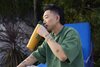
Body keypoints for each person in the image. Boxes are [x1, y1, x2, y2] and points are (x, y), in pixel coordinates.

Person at [17, 4, 84, 67]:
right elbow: (35, 56)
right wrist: (21, 65)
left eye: (46, 17)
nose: (44, 22)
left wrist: (46, 35)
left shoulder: (71, 33)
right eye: (43, 19)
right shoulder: (50, 38)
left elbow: (63, 56)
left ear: (57, 18)